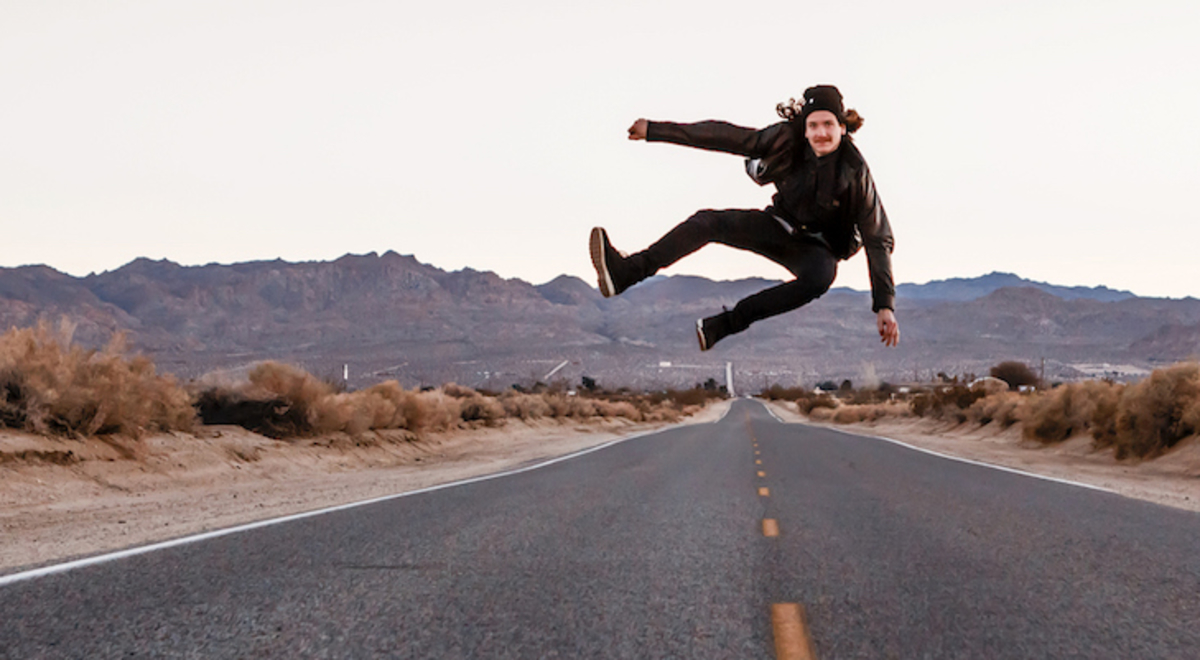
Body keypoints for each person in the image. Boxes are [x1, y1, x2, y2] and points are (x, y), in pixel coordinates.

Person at [589, 84, 900, 351]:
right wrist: (656, 131)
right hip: (777, 226)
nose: (821, 133)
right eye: (814, 125)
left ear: (842, 128)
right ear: (804, 129)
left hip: (817, 250)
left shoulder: (854, 171)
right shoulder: (784, 139)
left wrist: (884, 304)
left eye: (828, 125)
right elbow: (726, 137)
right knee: (706, 222)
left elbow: (877, 237)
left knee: (822, 277)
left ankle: (726, 324)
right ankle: (626, 273)